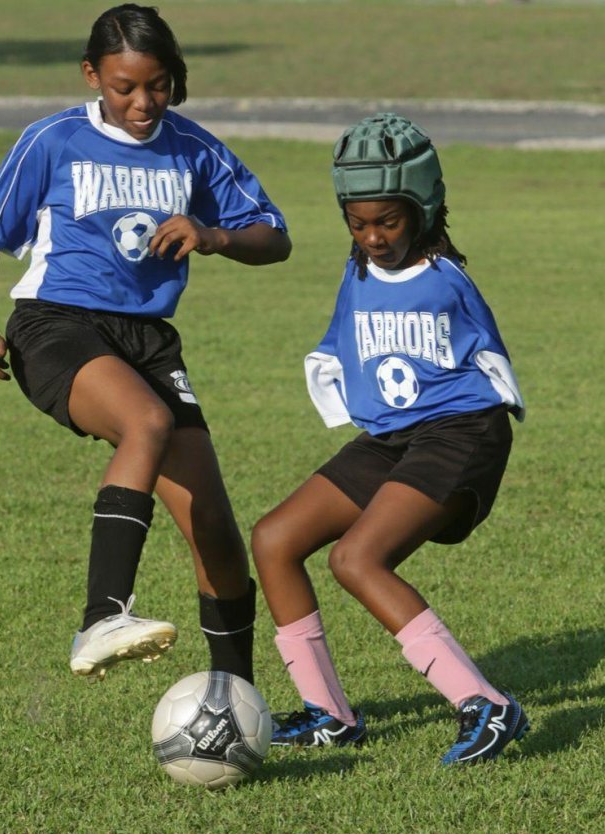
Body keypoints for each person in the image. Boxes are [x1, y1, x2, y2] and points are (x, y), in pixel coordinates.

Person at [0, 3, 291, 684]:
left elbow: (274, 236)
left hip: (150, 342)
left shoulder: (194, 148)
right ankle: (101, 616)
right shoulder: (52, 140)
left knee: (215, 531)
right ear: (92, 75)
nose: (143, 103)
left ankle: (234, 698)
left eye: (158, 85)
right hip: (55, 325)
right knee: (147, 421)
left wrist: (214, 235)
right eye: (125, 87)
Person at [252, 112, 529, 764]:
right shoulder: (357, 271)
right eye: (357, 223)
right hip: (393, 437)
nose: (373, 237)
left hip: (460, 432)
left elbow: (490, 372)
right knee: (273, 539)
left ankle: (486, 705)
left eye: (389, 222)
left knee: (356, 559)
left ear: (423, 208)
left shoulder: (447, 279)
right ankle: (329, 715)